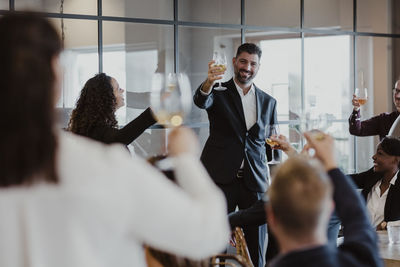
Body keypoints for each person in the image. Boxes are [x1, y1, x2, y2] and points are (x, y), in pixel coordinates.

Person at [0, 12, 230, 267]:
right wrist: (186, 159)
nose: (122, 92)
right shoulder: (104, 168)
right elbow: (209, 232)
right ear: (55, 72)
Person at [193, 43, 278, 267]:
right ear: (234, 62)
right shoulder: (218, 92)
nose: (247, 67)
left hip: (254, 181)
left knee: (256, 245)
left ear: (258, 66)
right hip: (220, 177)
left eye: (253, 63)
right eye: (243, 61)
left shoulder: (269, 102)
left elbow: (269, 141)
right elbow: (201, 100)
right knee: (216, 240)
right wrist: (209, 81)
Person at [266, 132, 382, 267]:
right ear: (330, 209)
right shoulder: (358, 262)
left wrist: (293, 154)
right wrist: (331, 164)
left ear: (271, 217)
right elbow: (358, 219)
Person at [68, 73, 157, 146]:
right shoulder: (95, 130)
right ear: (106, 97)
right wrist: (155, 109)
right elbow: (119, 139)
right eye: (118, 89)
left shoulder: (93, 127)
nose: (122, 90)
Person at [349, 136, 400, 230]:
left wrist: (383, 226)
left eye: (380, 153)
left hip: (389, 242)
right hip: (363, 239)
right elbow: (347, 180)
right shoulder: (373, 175)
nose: (374, 156)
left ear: (396, 160)